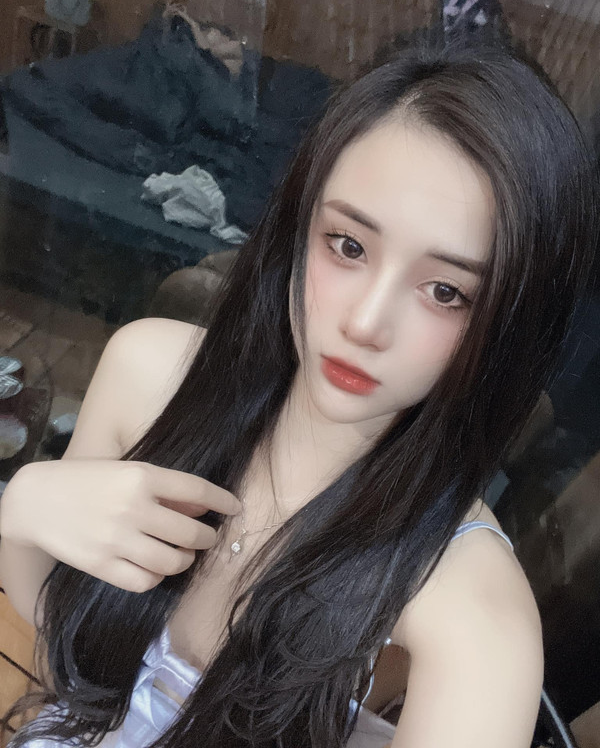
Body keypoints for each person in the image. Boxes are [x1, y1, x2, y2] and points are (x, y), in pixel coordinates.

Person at [0, 38, 597, 748]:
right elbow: (67, 661)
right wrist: (21, 508)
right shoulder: (148, 377)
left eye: (445, 291)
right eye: (348, 246)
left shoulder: (474, 618)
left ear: (506, 326)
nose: (365, 323)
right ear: (298, 227)